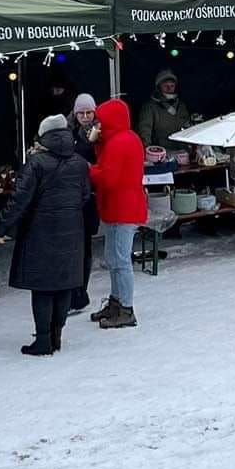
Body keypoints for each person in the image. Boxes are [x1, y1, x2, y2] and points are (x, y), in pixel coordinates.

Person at [0, 115, 93, 356]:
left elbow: (19, 201)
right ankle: (57, 335)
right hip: (72, 231)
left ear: (44, 136)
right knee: (63, 284)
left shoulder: (36, 163)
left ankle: (43, 340)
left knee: (43, 288)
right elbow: (84, 196)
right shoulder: (80, 163)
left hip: (40, 233)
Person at [87, 98, 144, 329]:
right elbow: (107, 164)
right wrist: (97, 143)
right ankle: (116, 301)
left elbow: (108, 177)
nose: (97, 126)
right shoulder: (120, 139)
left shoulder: (120, 143)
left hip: (123, 209)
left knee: (120, 260)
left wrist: (86, 168)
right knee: (113, 258)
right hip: (118, 207)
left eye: (100, 122)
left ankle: (126, 308)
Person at [68, 93, 101, 313]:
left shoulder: (101, 131)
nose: (86, 116)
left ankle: (81, 291)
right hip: (72, 194)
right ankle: (72, 292)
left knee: (86, 244)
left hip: (91, 193)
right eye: (81, 112)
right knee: (73, 245)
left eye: (89, 112)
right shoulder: (67, 132)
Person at [135, 70, 191, 151]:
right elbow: (145, 131)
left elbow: (188, 128)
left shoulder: (181, 106)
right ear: (158, 87)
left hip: (182, 152)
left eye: (172, 86)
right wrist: (147, 151)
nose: (169, 88)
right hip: (160, 153)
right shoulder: (150, 107)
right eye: (165, 86)